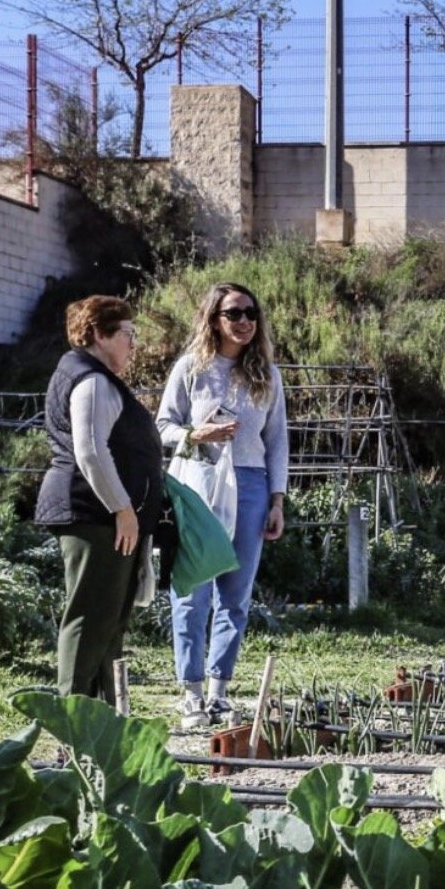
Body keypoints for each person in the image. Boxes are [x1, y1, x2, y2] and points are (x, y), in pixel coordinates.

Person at [158, 281, 290, 727]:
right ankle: (190, 690)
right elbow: (163, 426)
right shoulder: (190, 369)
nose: (245, 322)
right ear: (213, 318)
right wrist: (196, 434)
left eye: (251, 313)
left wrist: (277, 500)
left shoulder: (267, 375)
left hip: (251, 483)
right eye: (234, 313)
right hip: (198, 480)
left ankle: (219, 690)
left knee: (235, 593)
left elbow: (277, 442)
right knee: (192, 588)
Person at [37, 295, 162, 700]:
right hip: (95, 515)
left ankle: (103, 718)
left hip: (105, 516)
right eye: (127, 334)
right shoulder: (90, 380)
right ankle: (72, 721)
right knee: (90, 619)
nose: (133, 344)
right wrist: (123, 509)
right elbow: (89, 450)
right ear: (98, 334)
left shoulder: (92, 376)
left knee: (107, 623)